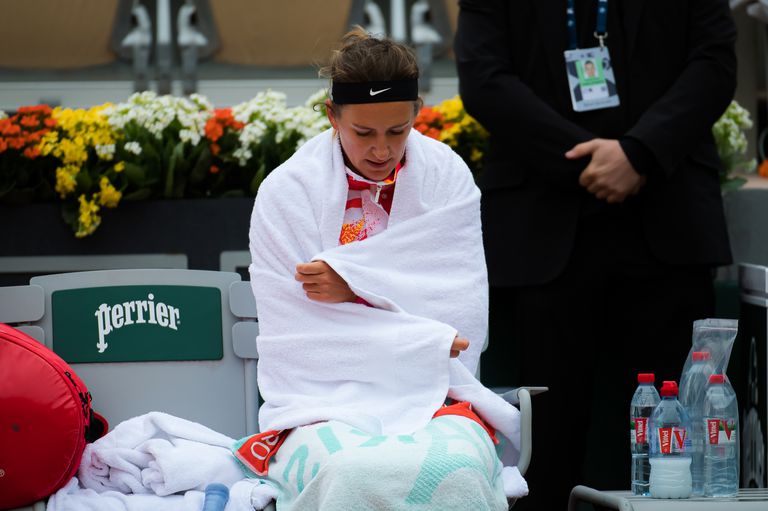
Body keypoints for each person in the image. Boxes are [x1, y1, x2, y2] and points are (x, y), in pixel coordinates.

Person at [454, 0, 736, 509]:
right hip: (543, 229)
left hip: (667, 223)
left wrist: (640, 152)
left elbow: (715, 63)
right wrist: (588, 157)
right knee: (544, 445)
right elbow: (484, 78)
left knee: (676, 442)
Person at [234, 27, 527, 510]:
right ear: (332, 117)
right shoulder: (286, 192)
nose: (381, 150)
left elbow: (461, 312)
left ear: (416, 115)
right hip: (319, 400)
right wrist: (423, 340)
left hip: (441, 394)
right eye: (363, 132)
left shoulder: (448, 175)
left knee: (457, 467)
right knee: (347, 469)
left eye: (398, 131)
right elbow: (296, 338)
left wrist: (353, 286)